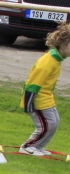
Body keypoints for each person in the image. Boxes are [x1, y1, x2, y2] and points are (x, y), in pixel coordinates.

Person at [19, 22, 70, 156]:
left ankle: (39, 146)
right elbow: (33, 84)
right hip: (38, 100)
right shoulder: (48, 61)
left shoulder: (57, 59)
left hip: (47, 98)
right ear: (64, 44)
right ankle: (27, 146)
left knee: (54, 122)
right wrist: (28, 103)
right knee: (46, 125)